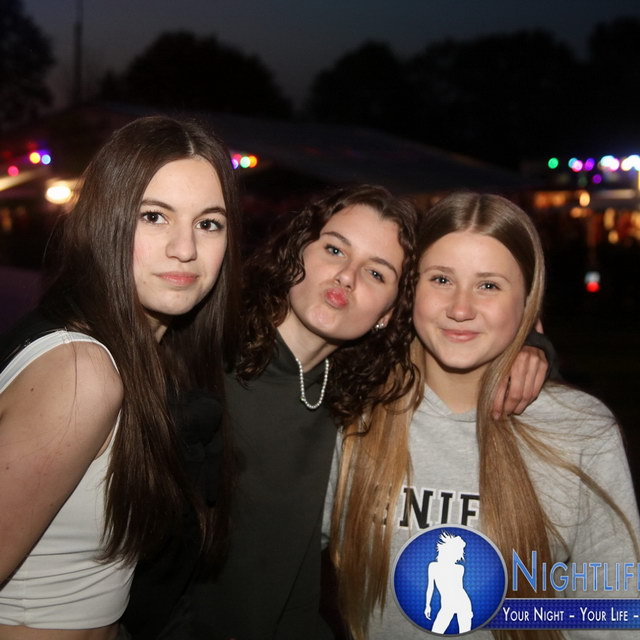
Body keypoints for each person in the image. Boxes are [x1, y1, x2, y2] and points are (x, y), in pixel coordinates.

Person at [152, 185, 550, 640]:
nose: (346, 276)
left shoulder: (359, 397)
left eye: (376, 273)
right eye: (335, 250)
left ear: (389, 312)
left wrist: (531, 348)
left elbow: (462, 327)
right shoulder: (200, 360)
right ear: (297, 251)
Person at [327, 192, 640, 639]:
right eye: (441, 279)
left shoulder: (581, 429)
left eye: (489, 285)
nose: (460, 308)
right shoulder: (352, 415)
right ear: (410, 290)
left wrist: (517, 616)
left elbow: (611, 613)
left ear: (528, 302)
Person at [0, 115, 241, 639]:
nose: (185, 248)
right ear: (106, 221)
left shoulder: (149, 357)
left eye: (209, 224)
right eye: (154, 216)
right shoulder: (82, 372)